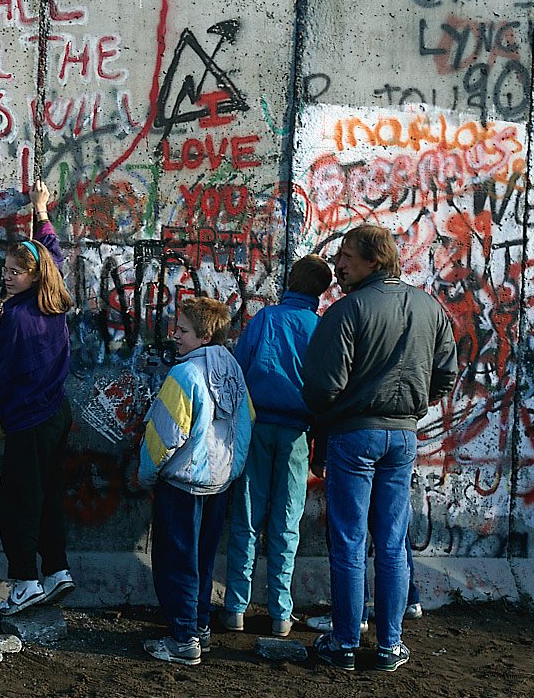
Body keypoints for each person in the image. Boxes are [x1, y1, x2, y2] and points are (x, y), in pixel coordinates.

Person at [302, 225, 456, 673]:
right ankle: (390, 645)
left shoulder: (347, 311)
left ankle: (345, 642)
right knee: (390, 542)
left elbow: (320, 387)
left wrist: (329, 421)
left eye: (347, 256)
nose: (338, 264)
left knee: (349, 541)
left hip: (354, 436)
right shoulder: (430, 307)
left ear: (374, 260)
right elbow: (445, 375)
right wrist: (409, 406)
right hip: (403, 436)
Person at [0, 180, 76, 616]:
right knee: (47, 494)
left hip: (28, 420)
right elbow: (51, 248)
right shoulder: (52, 297)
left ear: (32, 276)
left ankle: (25, 581)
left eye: (14, 272)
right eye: (7, 270)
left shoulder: (14, 319)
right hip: (56, 413)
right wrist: (41, 209)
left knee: (18, 502)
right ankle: (56, 570)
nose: (7, 277)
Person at [221, 255, 332, 637]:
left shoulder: (266, 319)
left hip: (258, 428)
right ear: (321, 290)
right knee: (287, 523)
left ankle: (235, 606)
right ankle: (281, 613)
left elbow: (239, 368)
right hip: (298, 433)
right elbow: (325, 387)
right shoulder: (320, 328)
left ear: (289, 280)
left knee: (247, 518)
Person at [138, 297, 252, 666]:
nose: (175, 335)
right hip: (218, 484)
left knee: (176, 561)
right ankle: (199, 625)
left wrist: (147, 474)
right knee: (202, 560)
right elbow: (247, 423)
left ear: (204, 336)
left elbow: (164, 435)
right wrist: (231, 472)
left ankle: (183, 638)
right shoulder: (232, 370)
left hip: (182, 486)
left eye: (183, 330)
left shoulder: (184, 375)